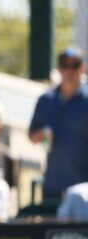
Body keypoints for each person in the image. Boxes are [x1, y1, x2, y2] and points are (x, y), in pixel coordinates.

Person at [29, 48, 88, 203]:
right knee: (51, 227)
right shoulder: (46, 99)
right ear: (59, 68)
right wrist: (41, 135)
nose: (69, 70)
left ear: (83, 68)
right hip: (53, 186)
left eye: (74, 65)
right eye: (65, 65)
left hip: (84, 189)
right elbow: (32, 135)